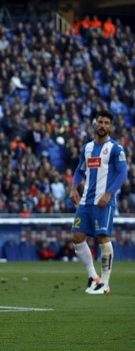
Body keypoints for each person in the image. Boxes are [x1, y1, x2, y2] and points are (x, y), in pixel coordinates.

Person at [70, 111, 128, 295]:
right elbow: (80, 170)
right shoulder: (87, 148)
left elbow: (122, 174)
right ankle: (94, 277)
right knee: (77, 237)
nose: (102, 125)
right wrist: (73, 188)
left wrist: (109, 194)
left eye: (106, 123)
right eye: (100, 122)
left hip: (103, 202)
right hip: (86, 201)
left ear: (111, 127)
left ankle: (105, 283)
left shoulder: (115, 149)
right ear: (95, 125)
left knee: (103, 238)